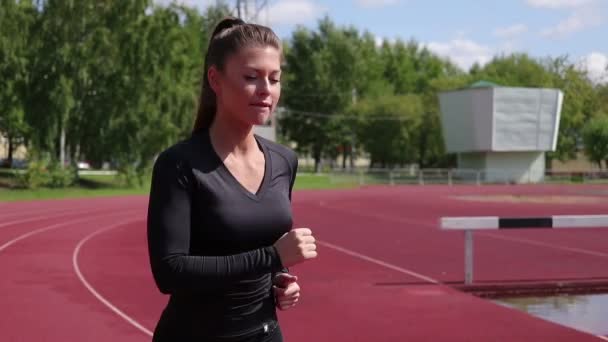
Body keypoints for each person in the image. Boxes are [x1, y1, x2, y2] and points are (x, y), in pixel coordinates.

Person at [146, 16, 318, 342]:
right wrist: (274, 257)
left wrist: (280, 278)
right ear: (216, 79)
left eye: (275, 78)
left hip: (266, 334)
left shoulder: (285, 161)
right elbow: (170, 272)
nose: (266, 90)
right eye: (252, 77)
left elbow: (258, 240)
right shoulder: (179, 164)